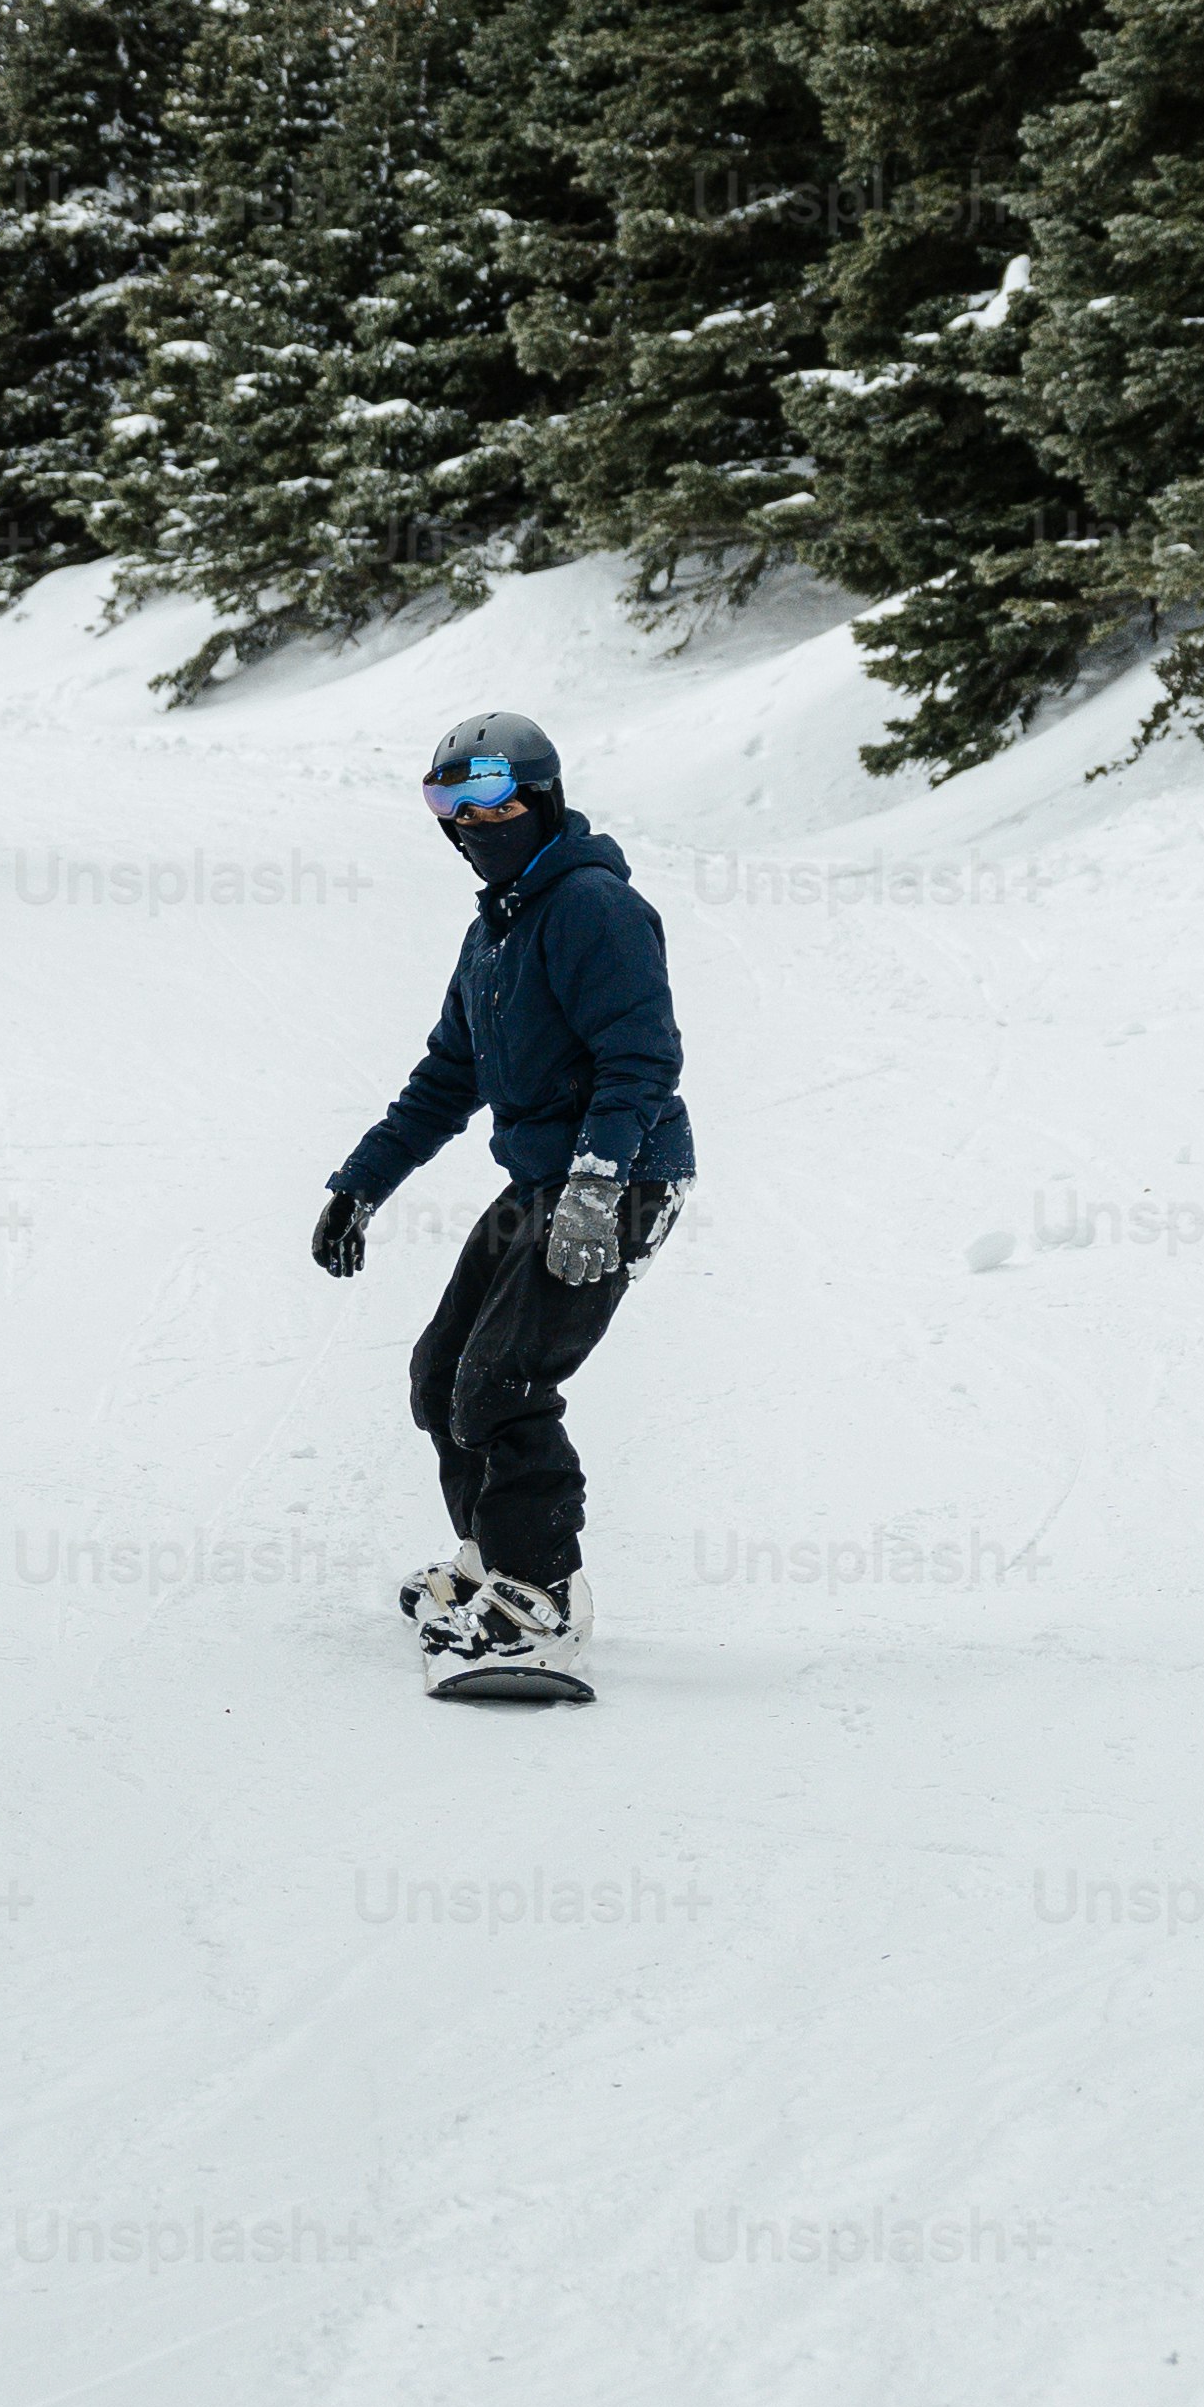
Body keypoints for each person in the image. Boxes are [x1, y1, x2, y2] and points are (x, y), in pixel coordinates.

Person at [308, 711, 692, 1688]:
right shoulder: (497, 931)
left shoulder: (592, 906)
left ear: (542, 798)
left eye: (488, 797)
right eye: (448, 801)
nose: (470, 821)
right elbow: (447, 1075)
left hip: (626, 1176)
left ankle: (543, 1599)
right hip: (541, 1181)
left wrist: (599, 1186)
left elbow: (641, 1058)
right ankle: (492, 1564)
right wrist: (361, 1182)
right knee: (444, 1375)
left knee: (504, 1383)